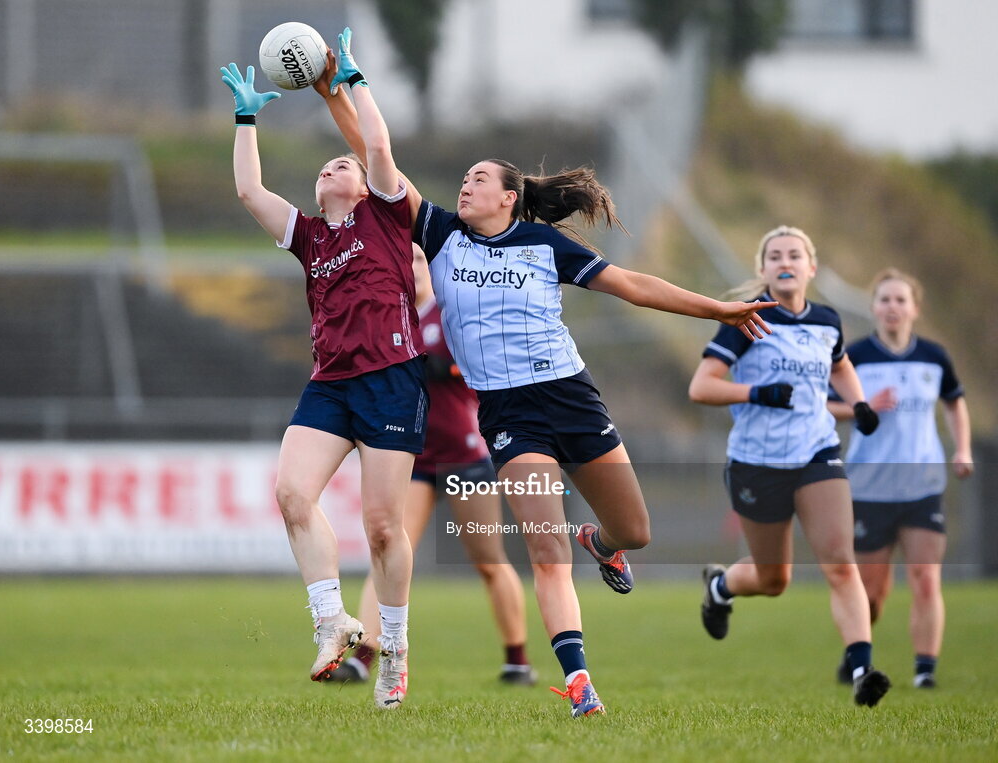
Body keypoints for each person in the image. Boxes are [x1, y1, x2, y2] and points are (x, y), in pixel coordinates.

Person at [314, 33, 778, 716]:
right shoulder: (440, 234)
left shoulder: (543, 244)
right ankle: (580, 679)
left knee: (635, 530)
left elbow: (636, 285)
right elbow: (377, 158)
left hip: (573, 397)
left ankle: (604, 542)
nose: (465, 184)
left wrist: (719, 307)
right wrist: (337, 90)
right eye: (464, 177)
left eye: (479, 178)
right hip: (510, 416)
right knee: (546, 547)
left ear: (507, 199)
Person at [219, 29, 426, 710]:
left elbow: (379, 148)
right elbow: (249, 191)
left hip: (392, 376)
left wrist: (356, 83)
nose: (334, 168)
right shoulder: (311, 235)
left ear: (365, 186)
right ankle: (332, 621)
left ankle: (393, 651)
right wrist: (246, 116)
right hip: (331, 382)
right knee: (291, 495)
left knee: (384, 528)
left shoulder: (389, 218)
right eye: (326, 165)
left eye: (344, 164)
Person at [688, 225, 892, 707]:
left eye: (795, 254)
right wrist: (756, 392)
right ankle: (720, 587)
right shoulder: (747, 319)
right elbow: (701, 387)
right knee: (773, 579)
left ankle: (862, 670)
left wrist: (858, 403)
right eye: (775, 254)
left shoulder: (826, 320)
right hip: (756, 462)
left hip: (817, 454)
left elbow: (839, 363)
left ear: (810, 267)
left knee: (841, 564)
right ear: (762, 269)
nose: (786, 261)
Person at [328, 249, 537, 687]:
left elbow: (489, 361)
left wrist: (450, 367)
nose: (413, 268)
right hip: (413, 455)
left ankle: (517, 659)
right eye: (405, 261)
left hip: (463, 453)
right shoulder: (388, 316)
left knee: (488, 561)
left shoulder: (453, 313)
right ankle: (364, 657)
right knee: (385, 550)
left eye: (421, 260)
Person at [827, 268, 972, 689]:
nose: (892, 307)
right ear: (873, 308)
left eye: (900, 300)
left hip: (923, 486)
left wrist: (961, 449)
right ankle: (857, 650)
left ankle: (924, 672)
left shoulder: (934, 356)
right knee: (871, 594)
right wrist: (862, 405)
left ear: (915, 308)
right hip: (870, 488)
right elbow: (823, 403)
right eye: (884, 300)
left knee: (927, 580)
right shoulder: (854, 357)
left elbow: (955, 403)